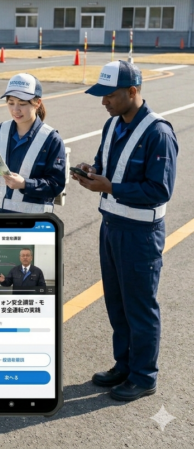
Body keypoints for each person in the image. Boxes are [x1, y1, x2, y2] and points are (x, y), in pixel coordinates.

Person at [71, 60, 178, 402]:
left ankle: (144, 376)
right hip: (111, 227)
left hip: (140, 234)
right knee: (117, 303)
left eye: (110, 95)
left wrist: (111, 187)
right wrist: (91, 171)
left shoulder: (158, 133)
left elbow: (159, 190)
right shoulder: (113, 124)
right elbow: (106, 165)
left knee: (139, 306)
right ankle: (124, 365)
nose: (104, 102)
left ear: (132, 92)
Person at [0, 73, 66, 213]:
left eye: (22, 104)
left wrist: (25, 184)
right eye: (11, 103)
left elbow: (56, 185)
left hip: (34, 221)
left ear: (37, 103)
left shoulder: (51, 139)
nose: (15, 110)